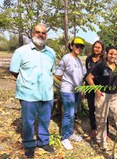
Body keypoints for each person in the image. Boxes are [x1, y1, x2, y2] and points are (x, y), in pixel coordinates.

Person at [9, 24, 56, 158]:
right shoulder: (21, 52)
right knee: (28, 122)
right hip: (28, 94)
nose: (41, 35)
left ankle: (43, 142)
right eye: (38, 32)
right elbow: (14, 71)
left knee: (45, 120)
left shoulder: (51, 53)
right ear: (32, 34)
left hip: (46, 94)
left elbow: (51, 71)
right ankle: (29, 145)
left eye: (44, 33)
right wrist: (27, 82)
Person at [86, 46, 117, 151]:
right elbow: (89, 78)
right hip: (103, 95)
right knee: (101, 119)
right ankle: (101, 141)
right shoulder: (100, 66)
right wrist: (96, 90)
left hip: (115, 96)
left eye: (115, 54)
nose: (112, 56)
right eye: (110, 54)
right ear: (106, 54)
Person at [55, 37, 86, 150]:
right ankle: (64, 137)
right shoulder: (66, 58)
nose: (79, 48)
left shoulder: (78, 60)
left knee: (73, 113)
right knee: (68, 113)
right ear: (72, 46)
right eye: (77, 46)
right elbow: (58, 74)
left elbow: (83, 75)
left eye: (81, 46)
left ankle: (70, 133)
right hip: (68, 91)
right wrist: (67, 82)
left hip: (77, 91)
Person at [85, 40, 105, 139]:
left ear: (102, 49)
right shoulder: (88, 59)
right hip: (89, 87)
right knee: (91, 108)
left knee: (102, 109)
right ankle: (93, 128)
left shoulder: (104, 60)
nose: (97, 49)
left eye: (99, 47)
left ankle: (104, 131)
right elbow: (87, 73)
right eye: (95, 47)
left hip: (101, 87)